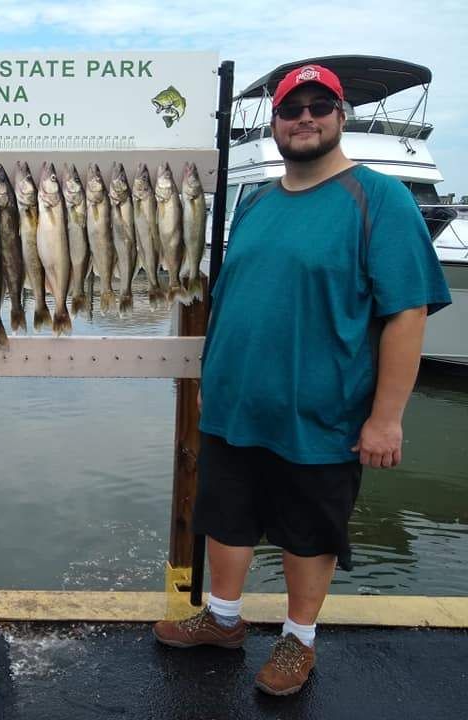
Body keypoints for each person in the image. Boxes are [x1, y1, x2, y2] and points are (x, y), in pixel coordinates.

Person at [152, 64, 451, 696]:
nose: (305, 118)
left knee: (309, 529)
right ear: (276, 123)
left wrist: (386, 418)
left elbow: (407, 313)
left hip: (323, 411)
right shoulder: (257, 201)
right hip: (235, 403)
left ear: (340, 116)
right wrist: (211, 379)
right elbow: (231, 296)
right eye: (292, 109)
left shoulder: (381, 198)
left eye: (320, 106)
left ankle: (298, 639)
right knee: (225, 516)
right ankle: (222, 619)